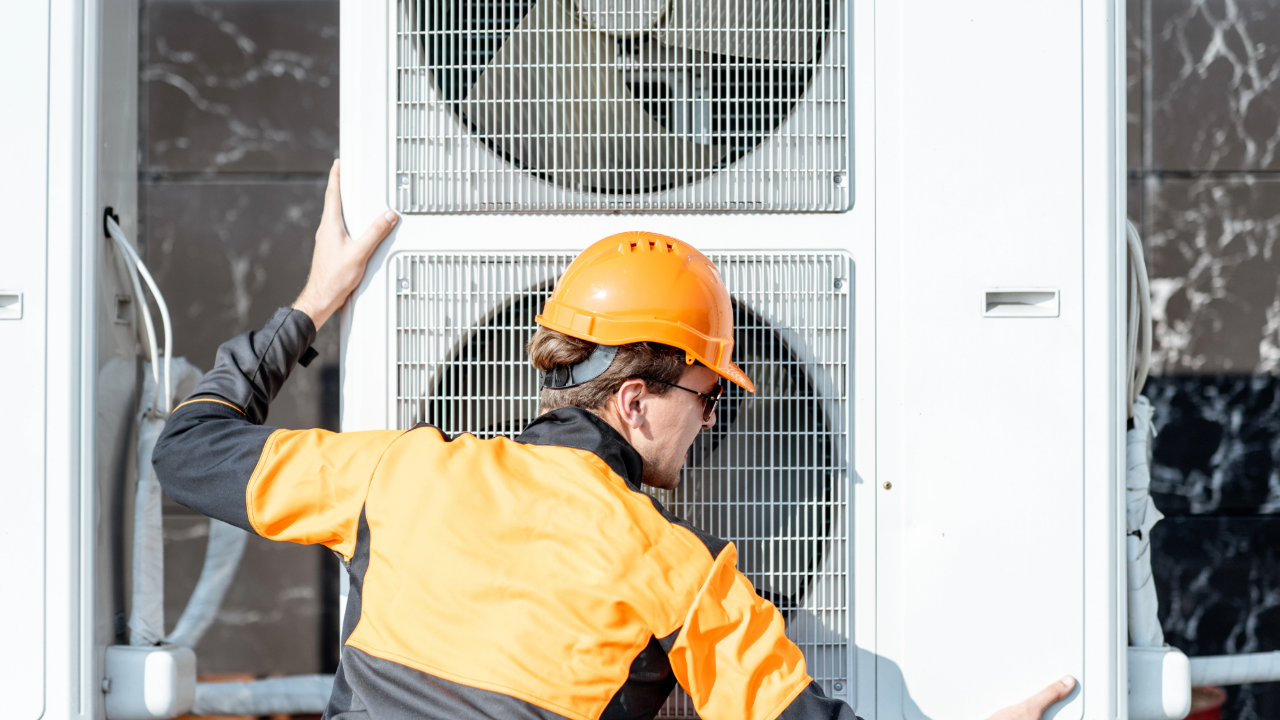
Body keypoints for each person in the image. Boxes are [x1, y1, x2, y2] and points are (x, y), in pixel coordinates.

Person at [153, 160, 1075, 720]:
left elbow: (188, 453)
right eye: (710, 395)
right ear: (635, 399)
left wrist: (319, 299)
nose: (714, 421)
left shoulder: (397, 473)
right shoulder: (677, 570)